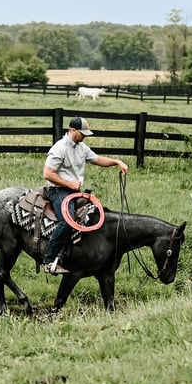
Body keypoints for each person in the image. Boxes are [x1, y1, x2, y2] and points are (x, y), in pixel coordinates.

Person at [42, 116, 129, 274]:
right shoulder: (59, 147)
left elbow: (97, 159)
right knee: (67, 221)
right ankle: (48, 259)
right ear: (73, 130)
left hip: (74, 192)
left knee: (95, 215)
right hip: (59, 191)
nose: (84, 137)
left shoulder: (81, 147)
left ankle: (80, 254)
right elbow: (48, 173)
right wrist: (69, 184)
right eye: (82, 133)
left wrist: (116, 161)